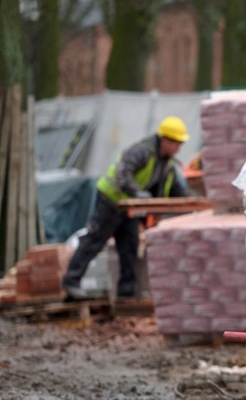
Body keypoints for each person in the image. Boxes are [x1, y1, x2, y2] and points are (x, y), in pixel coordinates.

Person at [62, 116, 190, 300]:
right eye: (177, 143)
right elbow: (123, 173)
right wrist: (137, 193)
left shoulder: (166, 164)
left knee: (129, 245)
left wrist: (191, 204)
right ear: (165, 140)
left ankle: (126, 292)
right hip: (111, 200)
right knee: (95, 239)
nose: (179, 148)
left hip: (129, 207)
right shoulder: (142, 151)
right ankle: (71, 281)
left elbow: (175, 190)